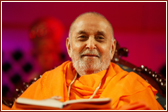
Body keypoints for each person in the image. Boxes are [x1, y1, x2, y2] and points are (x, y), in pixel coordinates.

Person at [10, 12, 163, 110]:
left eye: (100, 38)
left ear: (112, 48)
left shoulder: (133, 85)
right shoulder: (47, 82)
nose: (90, 45)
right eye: (82, 37)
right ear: (69, 47)